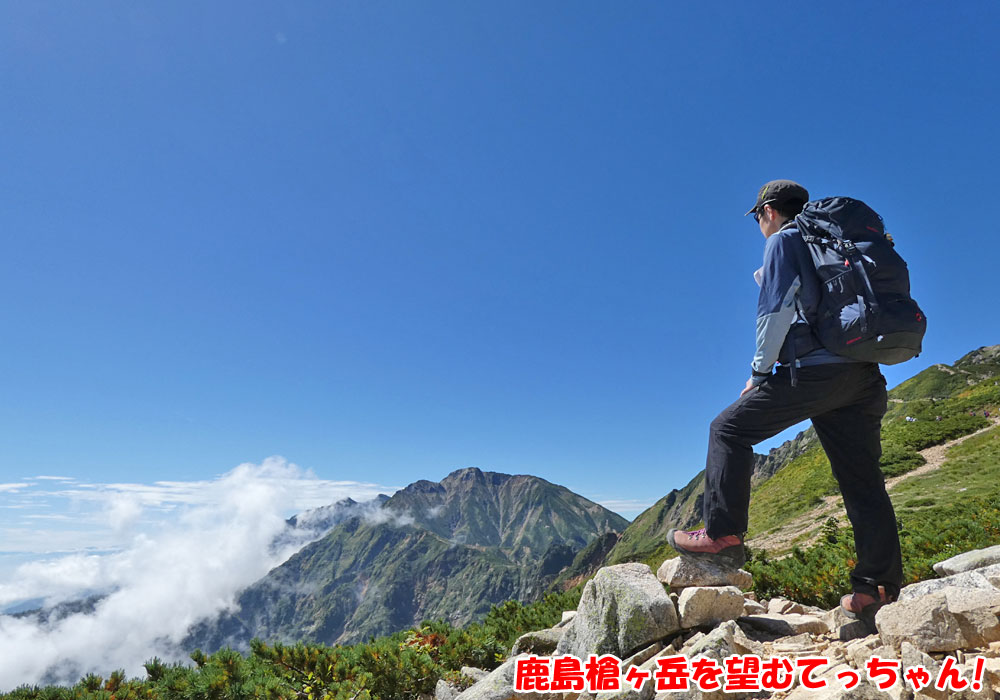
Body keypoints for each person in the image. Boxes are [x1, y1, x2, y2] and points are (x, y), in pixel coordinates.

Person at [666, 180, 903, 632]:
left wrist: (756, 377)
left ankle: (721, 534)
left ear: (769, 211)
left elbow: (773, 314)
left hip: (815, 373)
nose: (759, 224)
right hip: (863, 375)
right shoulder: (837, 243)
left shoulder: (785, 241)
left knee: (728, 429)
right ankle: (877, 588)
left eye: (757, 217)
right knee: (863, 482)